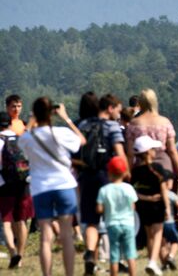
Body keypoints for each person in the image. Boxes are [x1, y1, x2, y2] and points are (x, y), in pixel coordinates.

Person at [17, 97, 86, 276]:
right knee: (66, 236)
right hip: (64, 185)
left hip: (41, 188)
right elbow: (81, 141)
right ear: (51, 113)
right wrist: (66, 118)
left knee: (45, 237)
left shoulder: (28, 137)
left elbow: (21, 142)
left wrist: (32, 119)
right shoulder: (61, 132)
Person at [77, 94, 127, 276]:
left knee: (91, 221)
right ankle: (118, 260)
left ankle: (90, 254)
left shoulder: (83, 125)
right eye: (118, 110)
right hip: (106, 176)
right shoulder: (111, 126)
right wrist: (126, 173)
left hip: (86, 176)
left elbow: (77, 152)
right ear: (110, 108)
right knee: (113, 219)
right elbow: (120, 152)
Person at [131, 135, 170, 276]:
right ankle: (153, 262)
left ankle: (151, 261)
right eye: (153, 149)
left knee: (149, 236)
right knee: (158, 233)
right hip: (157, 205)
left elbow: (133, 191)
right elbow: (164, 190)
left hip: (143, 206)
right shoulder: (157, 168)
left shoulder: (134, 171)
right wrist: (168, 208)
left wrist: (145, 197)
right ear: (148, 152)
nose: (155, 151)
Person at [126, 89, 178, 183]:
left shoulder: (134, 124)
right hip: (163, 164)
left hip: (141, 167)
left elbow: (130, 153)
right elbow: (172, 150)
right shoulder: (165, 122)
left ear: (140, 103)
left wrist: (128, 173)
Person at [0, 111, 34, 269]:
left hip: (5, 184)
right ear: (9, 123)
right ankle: (20, 256)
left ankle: (13, 253)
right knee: (21, 220)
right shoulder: (21, 139)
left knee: (6, 222)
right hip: (24, 183)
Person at [96, 156, 138, 276]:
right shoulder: (129, 188)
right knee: (130, 254)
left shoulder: (104, 190)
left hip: (112, 224)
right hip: (128, 224)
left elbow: (99, 209)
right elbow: (133, 206)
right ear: (124, 173)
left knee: (114, 254)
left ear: (109, 172)